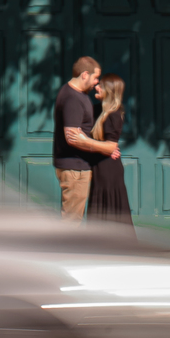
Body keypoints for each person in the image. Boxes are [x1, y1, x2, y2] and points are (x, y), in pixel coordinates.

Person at [52, 55, 117, 221]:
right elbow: (73, 138)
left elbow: (83, 137)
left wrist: (97, 146)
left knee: (73, 219)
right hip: (75, 169)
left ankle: (68, 246)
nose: (97, 83)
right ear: (84, 75)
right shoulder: (72, 98)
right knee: (71, 222)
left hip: (78, 167)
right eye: (95, 78)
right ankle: (67, 247)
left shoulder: (78, 95)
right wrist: (104, 147)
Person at [86, 74, 134, 233]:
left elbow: (110, 145)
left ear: (110, 91)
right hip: (99, 167)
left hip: (108, 170)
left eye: (101, 86)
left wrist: (105, 147)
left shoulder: (113, 115)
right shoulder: (97, 110)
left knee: (110, 210)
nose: (96, 87)